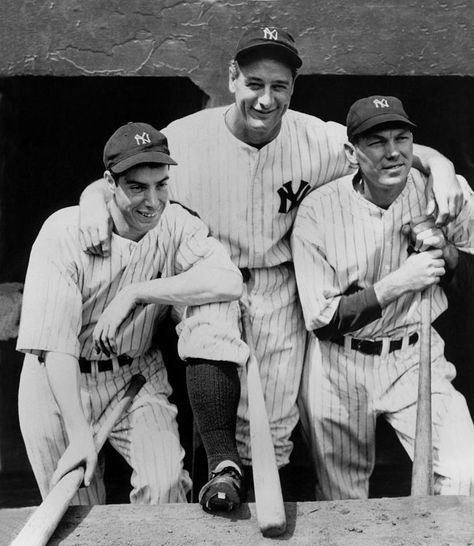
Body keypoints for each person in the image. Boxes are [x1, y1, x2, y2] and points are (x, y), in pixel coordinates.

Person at [78, 27, 465, 504]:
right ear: (232, 79)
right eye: (255, 83)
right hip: (210, 274)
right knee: (210, 340)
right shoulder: (184, 137)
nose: (265, 99)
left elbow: (385, 151)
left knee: (273, 423)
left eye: (278, 87)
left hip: (278, 282)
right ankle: (221, 473)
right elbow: (126, 176)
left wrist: (442, 166)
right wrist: (92, 199)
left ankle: (260, 519)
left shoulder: (317, 138)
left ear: (292, 90)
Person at [16, 121, 248, 505]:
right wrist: (79, 436)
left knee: (165, 487)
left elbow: (228, 282)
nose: (152, 201)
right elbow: (55, 347)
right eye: (137, 187)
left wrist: (137, 293)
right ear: (109, 182)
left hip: (135, 375)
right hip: (58, 381)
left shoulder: (174, 222)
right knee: (76, 512)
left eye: (161, 185)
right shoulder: (63, 232)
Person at [292, 95, 474, 500]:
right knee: (342, 501)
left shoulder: (441, 192)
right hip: (338, 364)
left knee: (465, 472)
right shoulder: (318, 211)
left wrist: (447, 252)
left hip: (415, 354)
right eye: (376, 142)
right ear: (350, 152)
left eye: (402, 137)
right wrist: (401, 280)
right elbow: (323, 322)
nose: (392, 152)